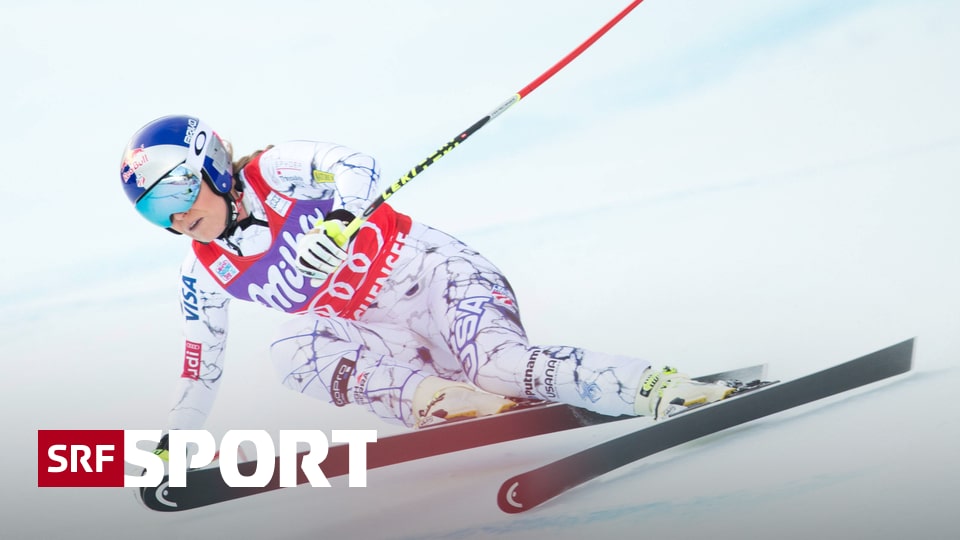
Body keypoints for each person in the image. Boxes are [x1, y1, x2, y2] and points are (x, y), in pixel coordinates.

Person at [119, 114, 734, 434]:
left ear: (212, 165)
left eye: (176, 191)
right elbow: (201, 367)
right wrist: (178, 441)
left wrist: (342, 219)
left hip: (437, 278)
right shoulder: (203, 272)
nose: (176, 217)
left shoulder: (273, 172)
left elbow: (353, 163)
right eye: (153, 210)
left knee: (498, 364)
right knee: (291, 348)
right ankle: (453, 404)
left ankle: (657, 387)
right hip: (389, 339)